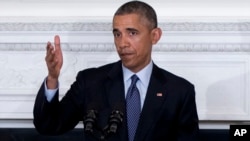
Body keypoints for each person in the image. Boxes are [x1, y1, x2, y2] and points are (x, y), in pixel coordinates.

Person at [33, 1, 199, 141]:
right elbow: (48, 126)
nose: (122, 43)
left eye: (132, 33)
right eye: (117, 34)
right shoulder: (90, 82)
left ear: (155, 36)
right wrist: (53, 78)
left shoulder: (179, 91)